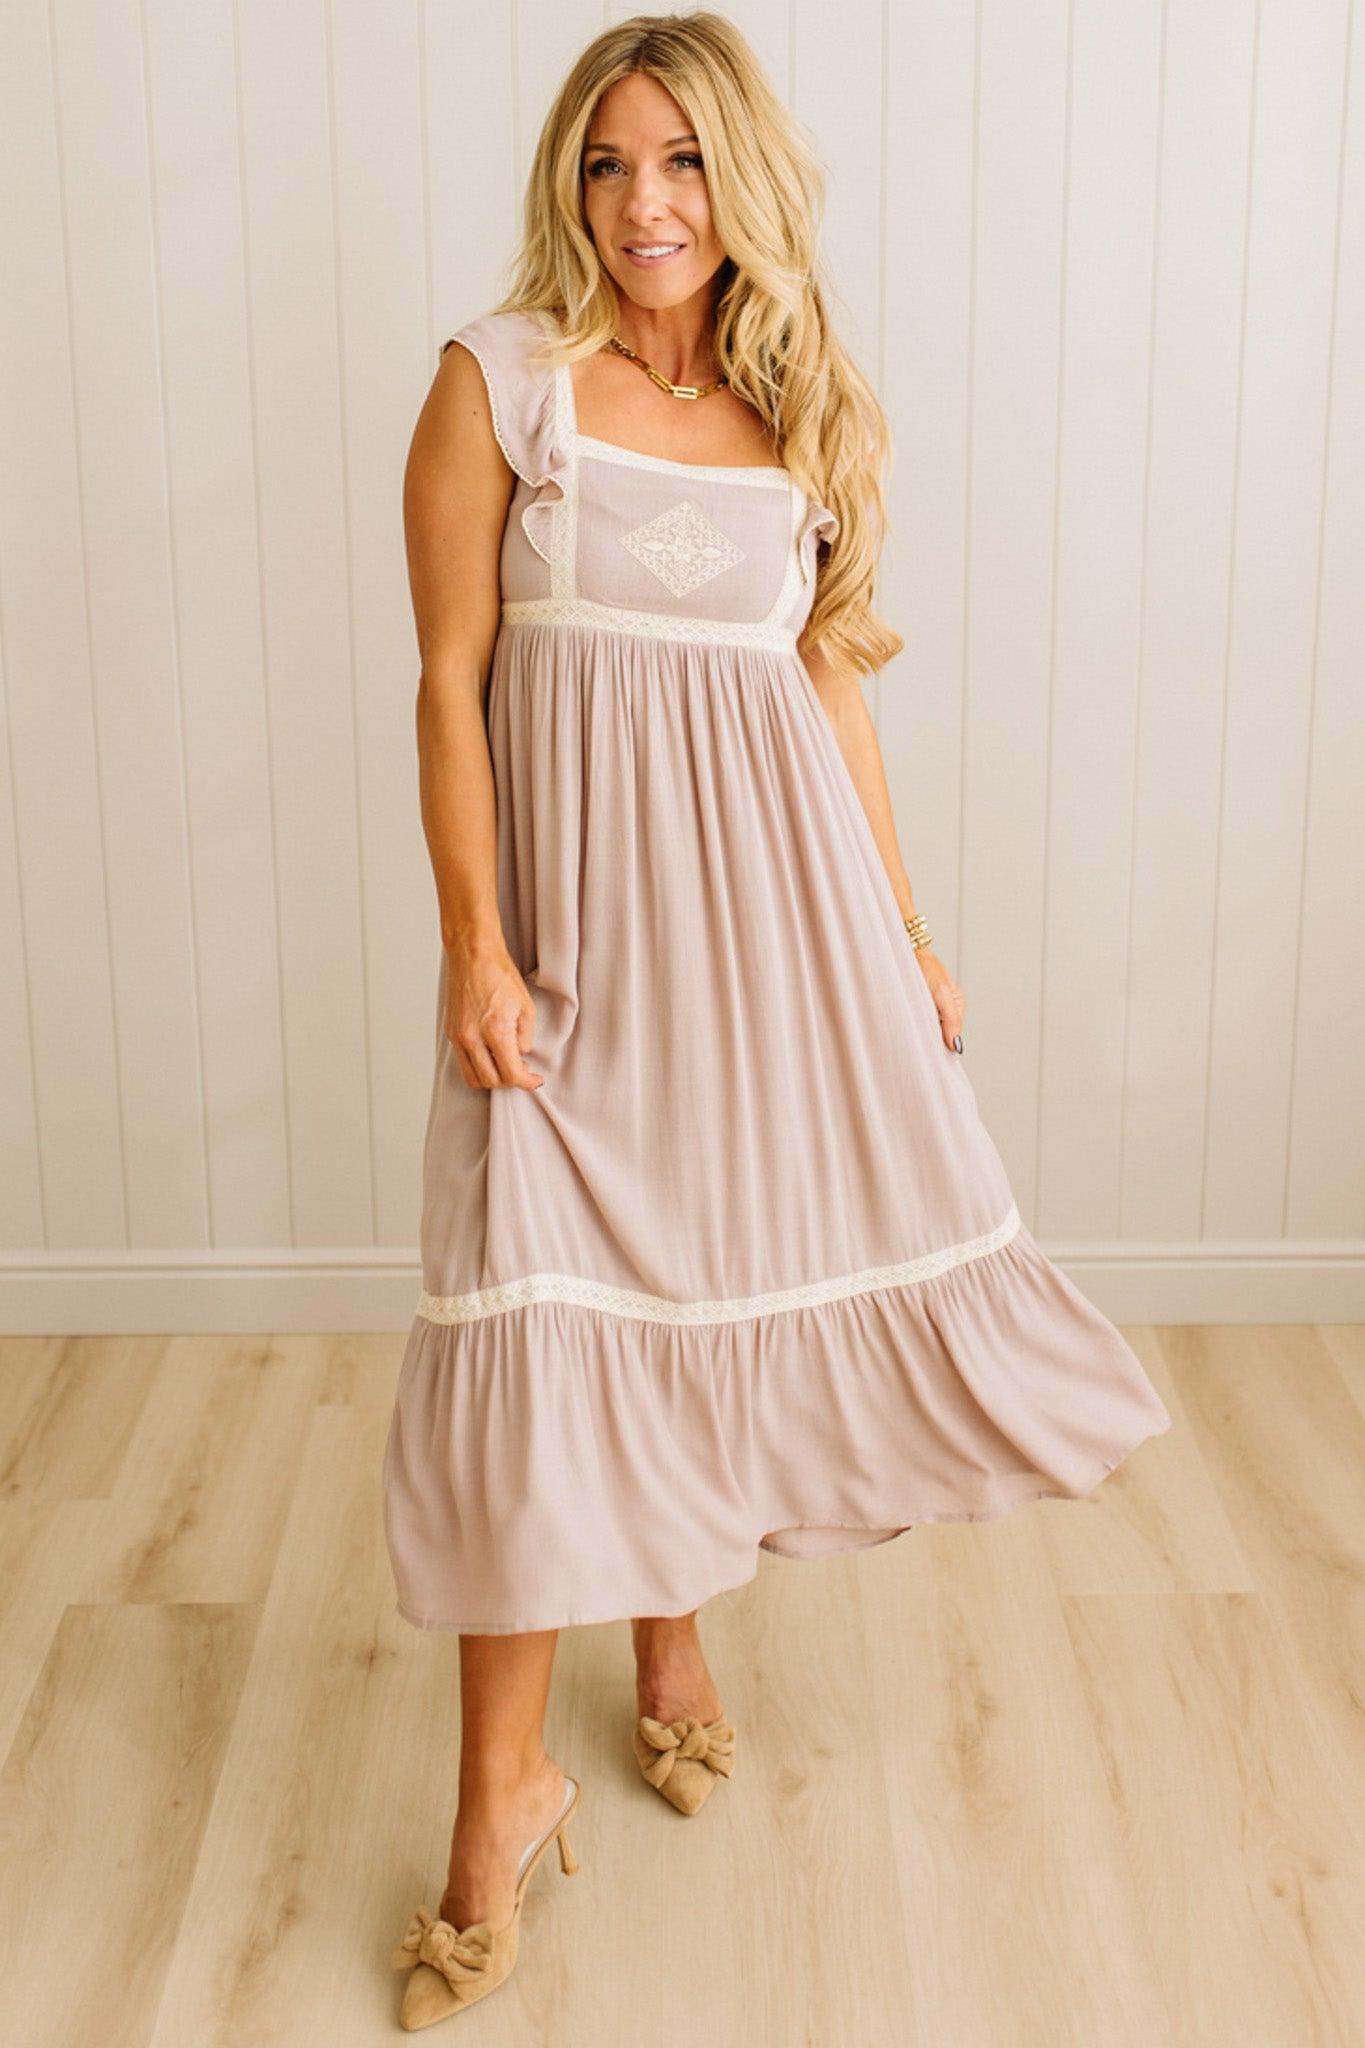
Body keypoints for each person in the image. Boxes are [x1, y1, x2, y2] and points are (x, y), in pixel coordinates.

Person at [383, 11, 1172, 2029]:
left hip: (765, 935)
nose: (641, 206)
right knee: (535, 1338)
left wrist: (900, 929)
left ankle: (665, 1646)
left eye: (679, 163)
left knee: (704, 1288)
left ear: (739, 181)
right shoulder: (498, 387)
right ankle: (495, 1804)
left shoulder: (794, 404)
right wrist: (473, 944)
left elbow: (830, 692)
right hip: (561, 959)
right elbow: (448, 684)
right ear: (567, 185)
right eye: (603, 165)